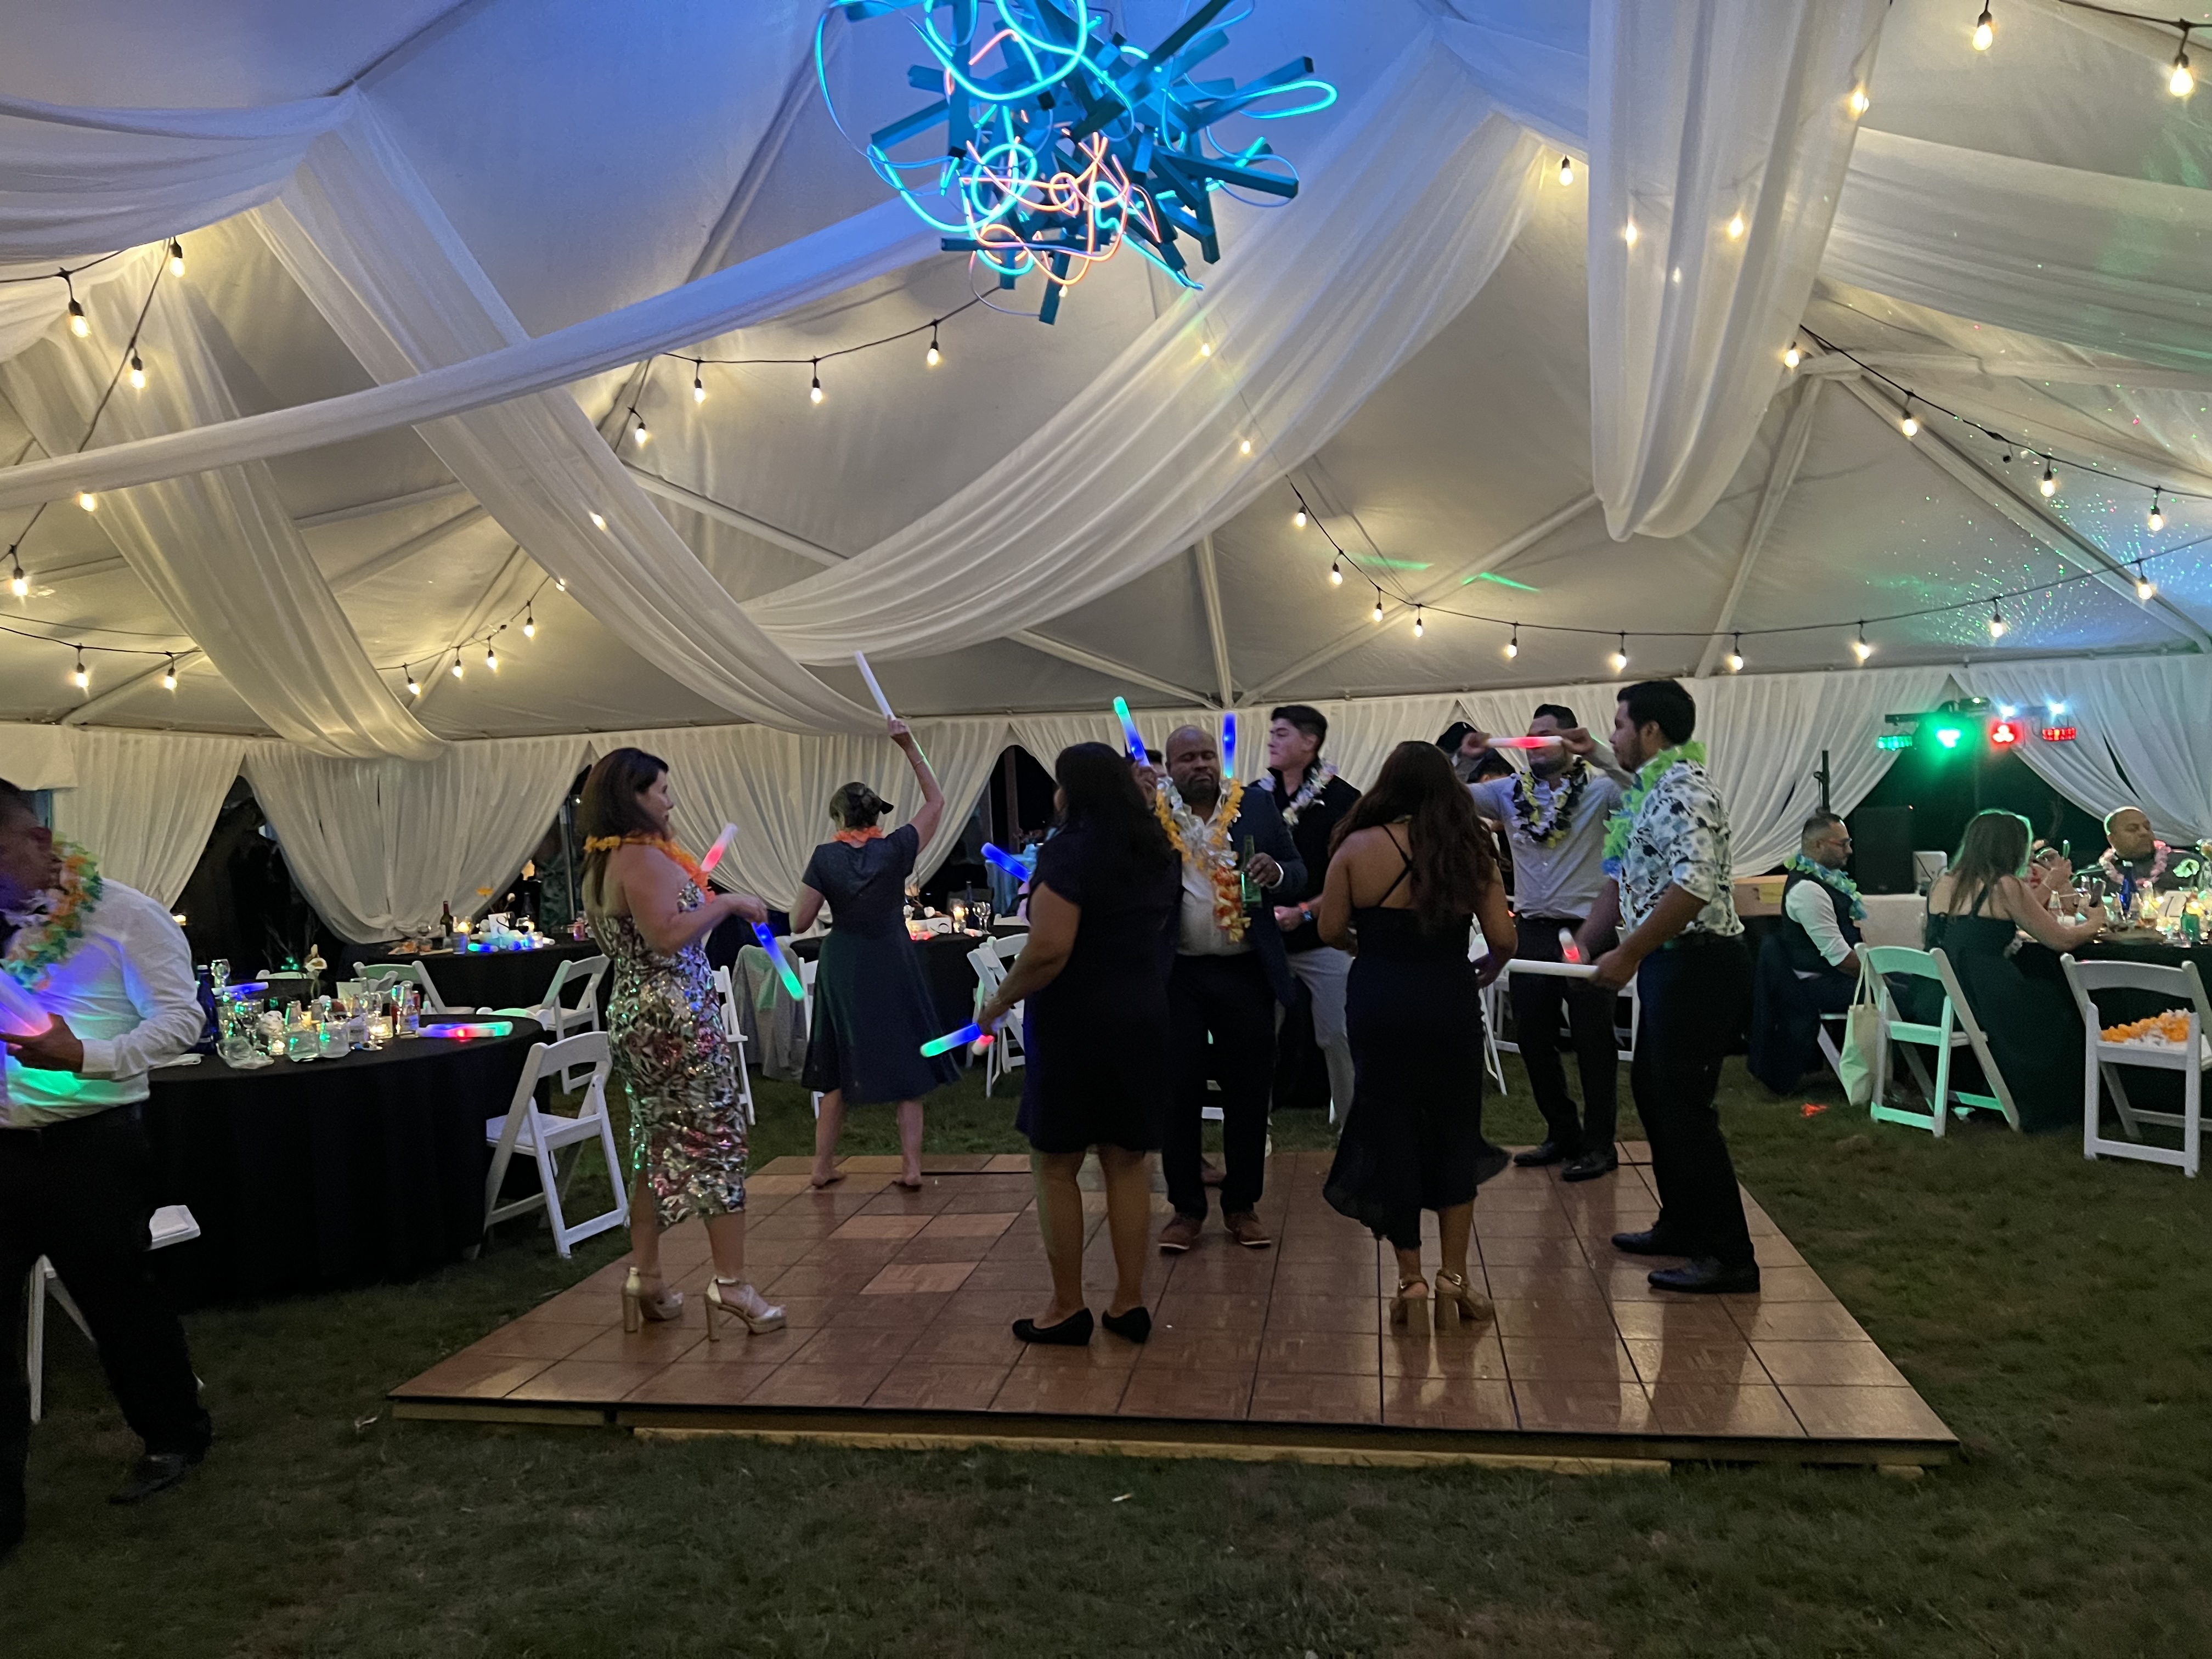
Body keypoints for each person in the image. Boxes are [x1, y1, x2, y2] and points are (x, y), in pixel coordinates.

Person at [0, 782, 211, 1556]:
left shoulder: (124, 914)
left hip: (91, 1145)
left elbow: (183, 1019)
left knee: (119, 1303)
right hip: (2, 1148)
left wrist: (86, 1054)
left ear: (36, 840)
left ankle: (174, 1435)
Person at [975, 743, 1181, 1345]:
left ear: (1073, 790)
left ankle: (1067, 1307)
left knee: (1057, 1162)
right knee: (1128, 1160)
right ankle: (1129, 1303)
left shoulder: (1069, 851)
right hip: (1143, 1012)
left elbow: (1049, 948)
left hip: (1076, 1022)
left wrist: (998, 1001)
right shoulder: (1156, 849)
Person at [580, 747, 783, 1339]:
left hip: (634, 1013)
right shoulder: (641, 857)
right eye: (661, 791)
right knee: (717, 1140)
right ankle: (732, 1283)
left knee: (652, 1141)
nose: (670, 802)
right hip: (675, 1018)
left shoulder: (603, 859)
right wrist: (727, 904)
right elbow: (666, 936)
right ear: (633, 796)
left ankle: (646, 1274)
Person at [1320, 742, 1516, 1331]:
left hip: (1378, 999)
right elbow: (1503, 937)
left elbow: (1330, 929)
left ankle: (1410, 1281)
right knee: (1455, 1129)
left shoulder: (1355, 847)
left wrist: (1369, 947)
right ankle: (1455, 1278)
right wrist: (1489, 969)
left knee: (1392, 1130)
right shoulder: (1468, 850)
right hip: (1447, 998)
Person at [1579, 680, 1758, 1295]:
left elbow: (1696, 885)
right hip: (1674, 963)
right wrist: (1594, 753)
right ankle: (1682, 1223)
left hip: (1699, 965)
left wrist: (1629, 951)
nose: (1613, 736)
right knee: (1655, 1095)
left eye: (1619, 725)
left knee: (1685, 1108)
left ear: (1651, 731)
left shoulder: (1684, 790)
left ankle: (1730, 1256)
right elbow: (1632, 792)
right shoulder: (1656, 785)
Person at [1465, 705, 1632, 1181]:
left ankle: (1600, 1145)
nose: (1534, 743)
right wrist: (1463, 761)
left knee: (1593, 1040)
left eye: (1546, 735)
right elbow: (1446, 798)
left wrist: (1596, 752)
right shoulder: (1507, 792)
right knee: (1534, 1038)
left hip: (1589, 927)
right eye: (1530, 735)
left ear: (1567, 740)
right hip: (1532, 930)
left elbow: (1642, 788)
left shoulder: (1600, 790)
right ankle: (1562, 1133)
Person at [1155, 724, 1304, 1252]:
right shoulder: (1153, 816)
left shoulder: (1256, 807)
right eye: (1187, 758)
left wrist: (1277, 872)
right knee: (1178, 1092)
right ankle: (1186, 1209)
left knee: (1248, 1091)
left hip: (1245, 969)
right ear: (1169, 769)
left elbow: (1299, 871)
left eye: (1206, 756)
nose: (1200, 765)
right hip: (1178, 975)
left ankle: (1242, 1206)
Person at [791, 719, 955, 1192]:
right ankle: (911, 1167)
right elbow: (936, 803)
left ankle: (822, 1166)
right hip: (891, 956)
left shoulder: (825, 858)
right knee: (907, 1056)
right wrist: (909, 747)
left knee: (837, 1063)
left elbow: (799, 922)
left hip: (844, 962)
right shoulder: (897, 848)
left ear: (838, 818)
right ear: (875, 814)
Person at [1927, 810, 2106, 1133]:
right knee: (2060, 1007)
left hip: (1940, 994)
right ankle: (2062, 1103)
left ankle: (1993, 1093)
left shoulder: (1943, 881)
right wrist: (2094, 923)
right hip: (1985, 994)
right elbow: (2061, 940)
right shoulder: (2004, 884)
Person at [1262, 704, 1363, 1124]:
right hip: (1266, 941)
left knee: (1338, 1033)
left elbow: (1355, 875)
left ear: (1310, 742)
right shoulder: (1257, 798)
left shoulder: (1344, 800)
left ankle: (1353, 1126)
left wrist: (1304, 912)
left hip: (1325, 937)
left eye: (1281, 734)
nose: (1271, 741)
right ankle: (1254, 1121)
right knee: (1258, 1036)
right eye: (1272, 733)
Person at [1748, 812, 1865, 1093]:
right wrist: (1879, 977)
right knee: (1907, 996)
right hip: (1819, 985)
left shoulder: (1825, 882)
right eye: (1843, 844)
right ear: (1818, 846)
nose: (1850, 850)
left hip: (1833, 976)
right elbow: (1841, 960)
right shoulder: (1808, 891)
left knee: (1911, 986)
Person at [2098, 807, 2181, 906]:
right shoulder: (2095, 878)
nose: (2144, 832)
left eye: (2147, 827)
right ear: (2112, 839)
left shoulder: (2187, 865)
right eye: (2132, 829)